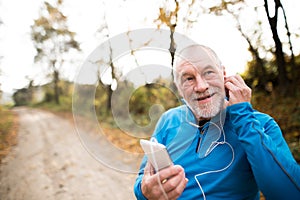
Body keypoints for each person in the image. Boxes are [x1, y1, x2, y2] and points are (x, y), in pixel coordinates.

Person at [133, 44, 300, 200]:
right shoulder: (168, 121)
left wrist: (243, 116)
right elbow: (143, 178)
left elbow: (289, 194)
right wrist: (144, 191)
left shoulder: (260, 124)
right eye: (189, 79)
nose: (201, 86)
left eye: (208, 72)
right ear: (179, 88)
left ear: (224, 74)